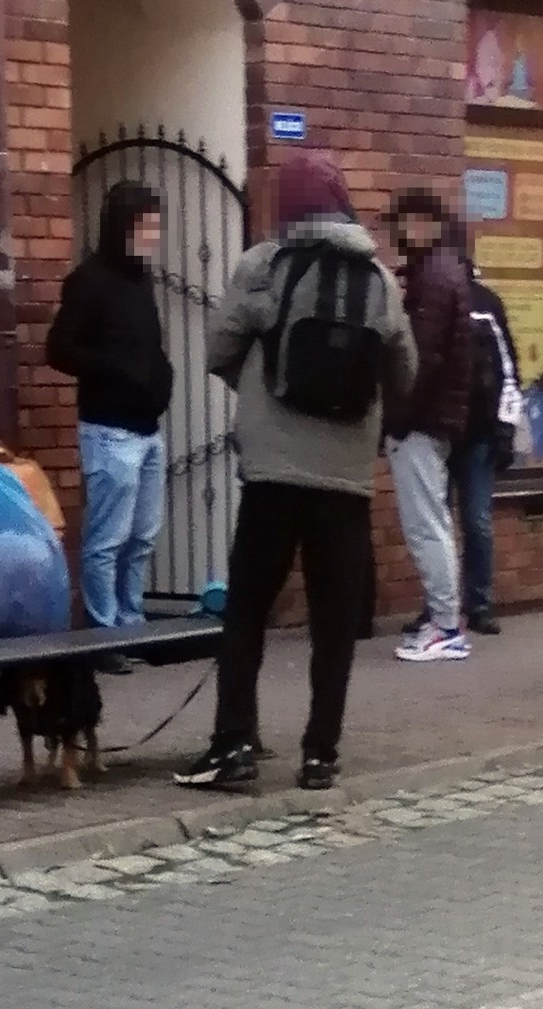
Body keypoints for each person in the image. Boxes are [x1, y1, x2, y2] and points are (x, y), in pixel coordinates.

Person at [174, 151, 417, 791]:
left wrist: (257, 388)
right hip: (346, 480)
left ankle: (234, 745)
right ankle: (321, 756)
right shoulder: (380, 280)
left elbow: (220, 346)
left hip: (273, 474)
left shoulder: (264, 265)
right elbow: (405, 374)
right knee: (334, 622)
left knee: (248, 609)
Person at [46, 182, 173, 674]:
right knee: (107, 540)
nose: (152, 235)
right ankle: (104, 637)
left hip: (148, 429)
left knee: (142, 537)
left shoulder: (142, 280)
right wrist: (117, 368)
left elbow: (148, 347)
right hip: (109, 431)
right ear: (123, 227)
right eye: (145, 225)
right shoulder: (89, 281)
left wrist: (161, 375)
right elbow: (60, 349)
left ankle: (130, 623)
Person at [403, 261, 522, 636]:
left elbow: (508, 370)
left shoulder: (486, 304)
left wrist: (505, 428)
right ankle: (440, 607)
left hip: (478, 435)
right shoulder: (426, 304)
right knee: (436, 526)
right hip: (440, 431)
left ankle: (479, 604)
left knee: (476, 521)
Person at [383, 187, 473, 662]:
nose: (398, 234)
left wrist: (396, 417)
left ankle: (444, 626)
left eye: (403, 223)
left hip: (422, 421)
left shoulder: (434, 278)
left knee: (426, 526)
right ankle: (446, 621)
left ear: (425, 223)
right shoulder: (442, 270)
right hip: (435, 419)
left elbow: (420, 357)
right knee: (433, 521)